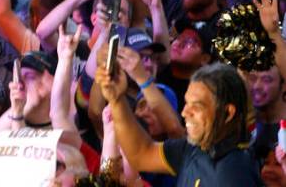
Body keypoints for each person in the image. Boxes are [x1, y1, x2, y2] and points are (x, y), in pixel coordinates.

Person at [97, 61, 261, 185]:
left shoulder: (235, 173)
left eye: (196, 107)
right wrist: (117, 99)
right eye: (186, 103)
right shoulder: (193, 149)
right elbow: (141, 154)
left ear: (228, 113)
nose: (184, 113)